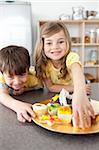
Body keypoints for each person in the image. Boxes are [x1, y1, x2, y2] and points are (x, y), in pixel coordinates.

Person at [33, 22, 95, 129]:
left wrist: (79, 92)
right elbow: (51, 87)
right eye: (49, 43)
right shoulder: (43, 64)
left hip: (77, 95)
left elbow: (76, 68)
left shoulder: (71, 57)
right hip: (57, 97)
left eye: (60, 42)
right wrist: (76, 88)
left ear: (67, 42)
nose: (55, 47)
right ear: (42, 45)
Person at [0, 45, 43, 123]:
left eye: (22, 75)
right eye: (10, 77)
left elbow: (40, 86)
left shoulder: (33, 79)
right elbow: (2, 95)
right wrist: (17, 105)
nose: (17, 82)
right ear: (2, 73)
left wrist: (24, 89)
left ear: (28, 70)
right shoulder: (2, 78)